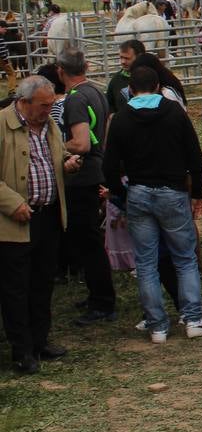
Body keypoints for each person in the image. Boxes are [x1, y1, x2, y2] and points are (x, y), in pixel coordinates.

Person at [103, 66, 202, 343]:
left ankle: (157, 326)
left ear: (130, 89)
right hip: (173, 192)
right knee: (185, 258)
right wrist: (197, 191)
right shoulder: (174, 112)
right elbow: (194, 155)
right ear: (157, 86)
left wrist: (121, 196)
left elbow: (109, 165)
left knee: (146, 262)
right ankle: (193, 319)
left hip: (138, 192)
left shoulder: (122, 118)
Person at [0, 76, 78, 374]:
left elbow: (53, 158)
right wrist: (13, 203)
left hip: (48, 216)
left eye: (51, 104)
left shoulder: (49, 126)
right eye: (44, 105)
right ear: (24, 101)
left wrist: (67, 162)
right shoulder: (2, 125)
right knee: (16, 287)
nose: (49, 110)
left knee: (43, 282)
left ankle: (40, 340)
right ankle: (22, 350)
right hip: (14, 221)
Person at [54, 49, 117, 327]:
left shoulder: (75, 100)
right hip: (97, 170)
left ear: (60, 71)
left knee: (87, 241)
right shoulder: (96, 92)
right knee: (90, 239)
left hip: (81, 177)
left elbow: (81, 143)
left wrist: (53, 147)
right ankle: (97, 293)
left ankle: (102, 301)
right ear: (87, 66)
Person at [105, 39, 145, 115]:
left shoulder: (151, 78)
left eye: (127, 58)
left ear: (139, 57)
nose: (123, 62)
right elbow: (110, 103)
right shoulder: (116, 79)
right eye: (121, 57)